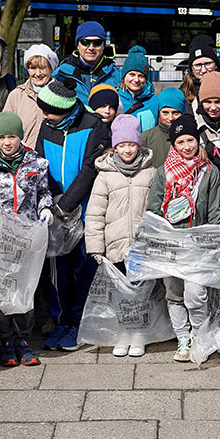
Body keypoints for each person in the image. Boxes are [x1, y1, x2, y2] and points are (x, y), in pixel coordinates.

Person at [36, 79, 111, 350]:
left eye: (49, 111)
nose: (44, 116)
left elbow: (91, 169)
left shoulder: (93, 125)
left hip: (84, 212)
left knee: (83, 269)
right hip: (56, 214)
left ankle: (78, 323)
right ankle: (61, 321)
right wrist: (50, 203)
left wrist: (66, 204)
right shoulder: (47, 127)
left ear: (65, 109)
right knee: (59, 272)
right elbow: (41, 164)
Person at [0, 112, 53, 367]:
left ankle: (24, 339)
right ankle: (6, 339)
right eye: (1, 137)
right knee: (1, 288)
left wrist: (46, 208)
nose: (7, 142)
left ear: (20, 136)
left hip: (27, 234)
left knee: (25, 287)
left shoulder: (36, 164)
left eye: (12, 136)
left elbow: (44, 192)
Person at [147, 113, 220, 361]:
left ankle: (201, 335)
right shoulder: (163, 172)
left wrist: (213, 242)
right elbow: (154, 208)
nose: (187, 146)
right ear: (173, 145)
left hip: (198, 244)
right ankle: (183, 338)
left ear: (198, 140)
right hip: (171, 244)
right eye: (180, 142)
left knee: (196, 295)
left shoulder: (209, 171)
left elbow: (214, 210)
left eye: (190, 140)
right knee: (174, 292)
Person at [86, 115, 158, 357]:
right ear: (114, 147)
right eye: (122, 145)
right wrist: (96, 248)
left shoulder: (150, 173)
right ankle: (122, 332)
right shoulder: (105, 175)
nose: (127, 150)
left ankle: (138, 334)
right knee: (119, 294)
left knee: (140, 292)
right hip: (114, 245)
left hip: (142, 246)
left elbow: (157, 209)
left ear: (139, 145)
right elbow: (95, 213)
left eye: (132, 144)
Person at [53, 21, 121, 107]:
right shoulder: (60, 74)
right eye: (85, 42)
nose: (91, 48)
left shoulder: (117, 75)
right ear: (77, 45)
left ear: (103, 46)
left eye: (97, 43)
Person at [5, 43, 59, 150]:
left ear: (51, 69)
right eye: (33, 68)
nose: (37, 73)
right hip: (23, 158)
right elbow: (6, 130)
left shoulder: (60, 96)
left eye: (42, 67)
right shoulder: (17, 95)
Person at [179, 34, 220, 112]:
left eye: (208, 64)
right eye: (198, 65)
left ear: (216, 65)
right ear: (192, 69)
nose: (203, 70)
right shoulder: (183, 93)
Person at [140, 87, 186, 165]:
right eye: (165, 113)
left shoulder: (190, 137)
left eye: (175, 113)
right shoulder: (146, 138)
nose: (170, 118)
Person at [117, 46, 160, 128]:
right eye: (132, 74)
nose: (136, 80)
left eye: (141, 76)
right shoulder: (115, 99)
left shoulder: (155, 101)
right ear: (124, 76)